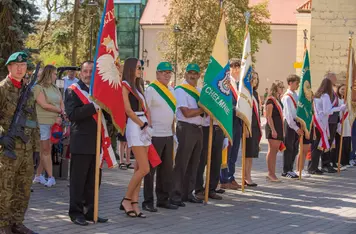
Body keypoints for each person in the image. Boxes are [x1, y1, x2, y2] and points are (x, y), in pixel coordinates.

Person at [65, 61, 109, 225]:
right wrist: (93, 106)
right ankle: (76, 213)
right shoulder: (72, 91)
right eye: (85, 71)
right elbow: (72, 114)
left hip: (96, 142)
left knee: (93, 180)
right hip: (81, 141)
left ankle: (91, 211)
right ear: (80, 73)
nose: (88, 74)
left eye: (92, 71)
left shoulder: (99, 92)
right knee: (78, 181)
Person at [0, 52, 40, 234]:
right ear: (9, 67)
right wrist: (2, 136)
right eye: (16, 65)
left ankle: (17, 223)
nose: (19, 68)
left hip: (26, 150)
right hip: (7, 150)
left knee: (23, 189)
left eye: (23, 66)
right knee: (4, 189)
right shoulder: (2, 89)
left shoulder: (28, 91)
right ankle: (3, 225)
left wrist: (37, 149)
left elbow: (33, 122)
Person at [142, 62, 179, 212]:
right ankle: (148, 201)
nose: (167, 74)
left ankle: (163, 199)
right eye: (164, 72)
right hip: (154, 135)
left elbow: (173, 114)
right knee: (150, 170)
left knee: (166, 170)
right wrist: (147, 132)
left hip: (168, 135)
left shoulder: (171, 90)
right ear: (157, 74)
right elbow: (145, 110)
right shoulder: (151, 90)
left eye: (169, 72)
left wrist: (173, 133)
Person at [170, 63, 205, 207]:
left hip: (198, 129)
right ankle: (176, 194)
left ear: (198, 76)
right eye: (190, 73)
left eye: (195, 73)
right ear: (185, 74)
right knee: (182, 163)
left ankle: (188, 193)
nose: (192, 75)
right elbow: (186, 112)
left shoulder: (198, 90)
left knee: (194, 164)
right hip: (186, 128)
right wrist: (202, 109)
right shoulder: (180, 90)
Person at [121, 58, 151, 218]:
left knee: (140, 168)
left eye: (141, 67)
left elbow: (147, 109)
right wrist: (142, 124)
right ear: (131, 68)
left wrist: (149, 125)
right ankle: (126, 199)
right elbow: (128, 110)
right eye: (138, 67)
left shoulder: (139, 87)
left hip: (144, 125)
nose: (140, 70)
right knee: (145, 168)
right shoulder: (125, 85)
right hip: (135, 125)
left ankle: (134, 203)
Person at [32, 65, 64, 187]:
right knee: (46, 151)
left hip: (55, 123)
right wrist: (59, 110)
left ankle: (38, 176)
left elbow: (61, 102)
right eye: (55, 74)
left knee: (45, 151)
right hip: (43, 122)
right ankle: (51, 177)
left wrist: (61, 114)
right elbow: (44, 105)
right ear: (49, 74)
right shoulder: (38, 88)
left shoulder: (55, 87)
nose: (56, 76)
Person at [308, 78, 346, 174]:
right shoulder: (325, 96)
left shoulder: (317, 95)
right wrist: (339, 108)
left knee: (316, 146)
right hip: (322, 124)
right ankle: (313, 168)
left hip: (317, 122)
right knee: (318, 146)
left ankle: (313, 167)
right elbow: (327, 111)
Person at [220, 58, 242, 190]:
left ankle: (231, 176)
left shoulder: (239, 84)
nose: (239, 70)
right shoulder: (227, 83)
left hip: (237, 121)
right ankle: (224, 178)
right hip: (229, 120)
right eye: (237, 67)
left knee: (234, 151)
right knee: (227, 151)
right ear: (232, 68)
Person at [280, 74, 303, 179]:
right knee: (289, 147)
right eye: (296, 83)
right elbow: (289, 115)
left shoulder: (296, 95)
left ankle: (291, 168)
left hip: (296, 123)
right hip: (290, 124)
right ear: (290, 83)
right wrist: (296, 128)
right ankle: (286, 170)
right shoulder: (287, 97)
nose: (298, 85)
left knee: (294, 148)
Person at [265, 80, 285, 182]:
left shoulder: (278, 100)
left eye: (283, 87)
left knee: (275, 151)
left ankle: (272, 173)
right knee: (272, 151)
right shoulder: (270, 100)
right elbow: (268, 117)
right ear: (275, 88)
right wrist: (273, 130)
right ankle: (270, 173)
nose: (282, 88)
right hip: (273, 128)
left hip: (278, 128)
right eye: (280, 87)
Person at [244, 71, 262, 186]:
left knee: (251, 154)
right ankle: (246, 177)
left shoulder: (255, 93)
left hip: (255, 126)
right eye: (252, 78)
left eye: (256, 78)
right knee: (248, 153)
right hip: (248, 126)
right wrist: (246, 127)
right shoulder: (246, 93)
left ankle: (248, 176)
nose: (254, 80)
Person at [321, 72, 340, 173]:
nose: (336, 79)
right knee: (326, 143)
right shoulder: (327, 92)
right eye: (334, 77)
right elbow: (328, 108)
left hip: (333, 121)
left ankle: (328, 162)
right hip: (328, 121)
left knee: (330, 142)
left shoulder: (333, 91)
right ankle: (325, 163)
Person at [335, 84, 351, 169]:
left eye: (345, 89)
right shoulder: (337, 99)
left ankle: (345, 161)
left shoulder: (346, 100)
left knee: (346, 141)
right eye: (342, 89)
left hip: (346, 123)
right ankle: (338, 161)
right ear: (338, 89)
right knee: (338, 142)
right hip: (339, 122)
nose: (343, 91)